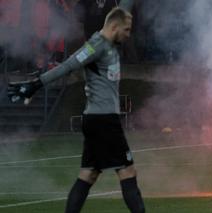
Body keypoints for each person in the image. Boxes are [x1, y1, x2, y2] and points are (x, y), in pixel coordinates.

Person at [7, 1, 145, 212]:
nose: (128, 35)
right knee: (128, 172)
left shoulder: (112, 41)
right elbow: (68, 65)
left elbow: (123, 8)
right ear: (114, 27)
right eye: (126, 30)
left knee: (88, 174)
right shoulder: (96, 46)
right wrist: (35, 85)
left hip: (96, 120)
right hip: (104, 121)